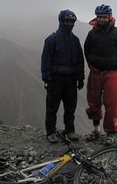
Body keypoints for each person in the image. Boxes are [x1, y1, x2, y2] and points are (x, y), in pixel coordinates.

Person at [84, 4, 117, 145]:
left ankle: (110, 132)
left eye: (104, 17)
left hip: (112, 73)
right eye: (99, 17)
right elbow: (87, 50)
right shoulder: (92, 34)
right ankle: (96, 129)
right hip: (95, 72)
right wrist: (92, 65)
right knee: (94, 101)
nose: (101, 19)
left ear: (110, 17)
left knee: (112, 102)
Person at [41, 9, 85, 143]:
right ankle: (50, 132)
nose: (69, 24)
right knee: (52, 107)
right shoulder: (51, 39)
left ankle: (70, 131)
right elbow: (45, 60)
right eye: (66, 21)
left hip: (71, 79)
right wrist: (46, 78)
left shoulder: (75, 40)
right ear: (61, 21)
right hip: (56, 78)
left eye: (71, 21)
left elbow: (79, 60)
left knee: (70, 106)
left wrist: (80, 77)